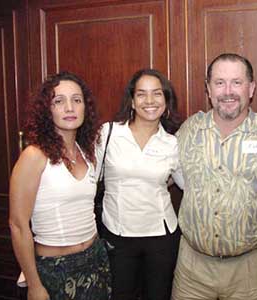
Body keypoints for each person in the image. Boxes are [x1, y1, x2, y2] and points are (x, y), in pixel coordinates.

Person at [171, 53, 257, 300]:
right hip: (192, 269)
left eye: (237, 82)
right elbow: (157, 170)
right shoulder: (189, 131)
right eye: (220, 82)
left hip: (248, 271)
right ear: (209, 89)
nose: (228, 91)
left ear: (251, 88)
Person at [9, 71, 111, 300]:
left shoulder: (87, 154)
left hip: (95, 261)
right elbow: (17, 225)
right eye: (59, 101)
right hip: (55, 269)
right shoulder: (34, 156)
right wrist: (34, 284)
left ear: (85, 107)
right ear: (47, 109)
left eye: (76, 100)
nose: (69, 108)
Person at [97, 69, 184, 300]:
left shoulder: (172, 143)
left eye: (157, 94)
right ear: (132, 101)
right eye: (141, 94)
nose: (149, 101)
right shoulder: (109, 133)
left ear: (166, 102)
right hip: (117, 234)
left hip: (161, 237)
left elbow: (186, 183)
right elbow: (90, 180)